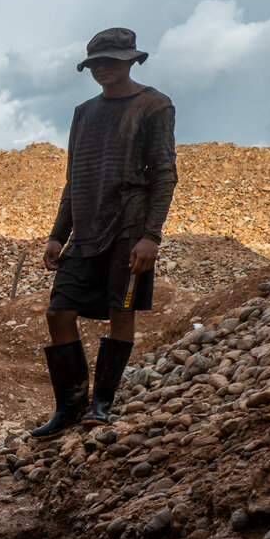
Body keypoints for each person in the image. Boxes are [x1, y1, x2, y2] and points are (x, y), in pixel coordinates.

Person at [32, 27, 178, 436]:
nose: (102, 69)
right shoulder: (83, 112)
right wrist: (58, 235)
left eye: (111, 61)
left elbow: (164, 173)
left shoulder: (155, 105)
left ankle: (102, 403)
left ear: (130, 60)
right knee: (59, 311)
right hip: (87, 229)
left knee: (120, 310)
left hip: (130, 226)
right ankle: (70, 406)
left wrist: (152, 236)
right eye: (96, 62)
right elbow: (72, 178)